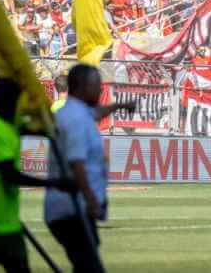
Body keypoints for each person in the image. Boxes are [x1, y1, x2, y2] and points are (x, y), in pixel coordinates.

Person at [0, 78, 74, 272]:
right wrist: (54, 183)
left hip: (7, 222)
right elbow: (9, 175)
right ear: (10, 99)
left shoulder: (12, 123)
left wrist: (50, 131)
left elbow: (32, 129)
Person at [45, 64, 131, 273]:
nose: (101, 89)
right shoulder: (76, 119)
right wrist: (92, 200)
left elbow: (96, 112)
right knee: (90, 267)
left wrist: (118, 107)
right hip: (73, 208)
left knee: (84, 263)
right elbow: (77, 164)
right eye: (96, 85)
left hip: (72, 208)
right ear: (82, 87)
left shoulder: (75, 112)